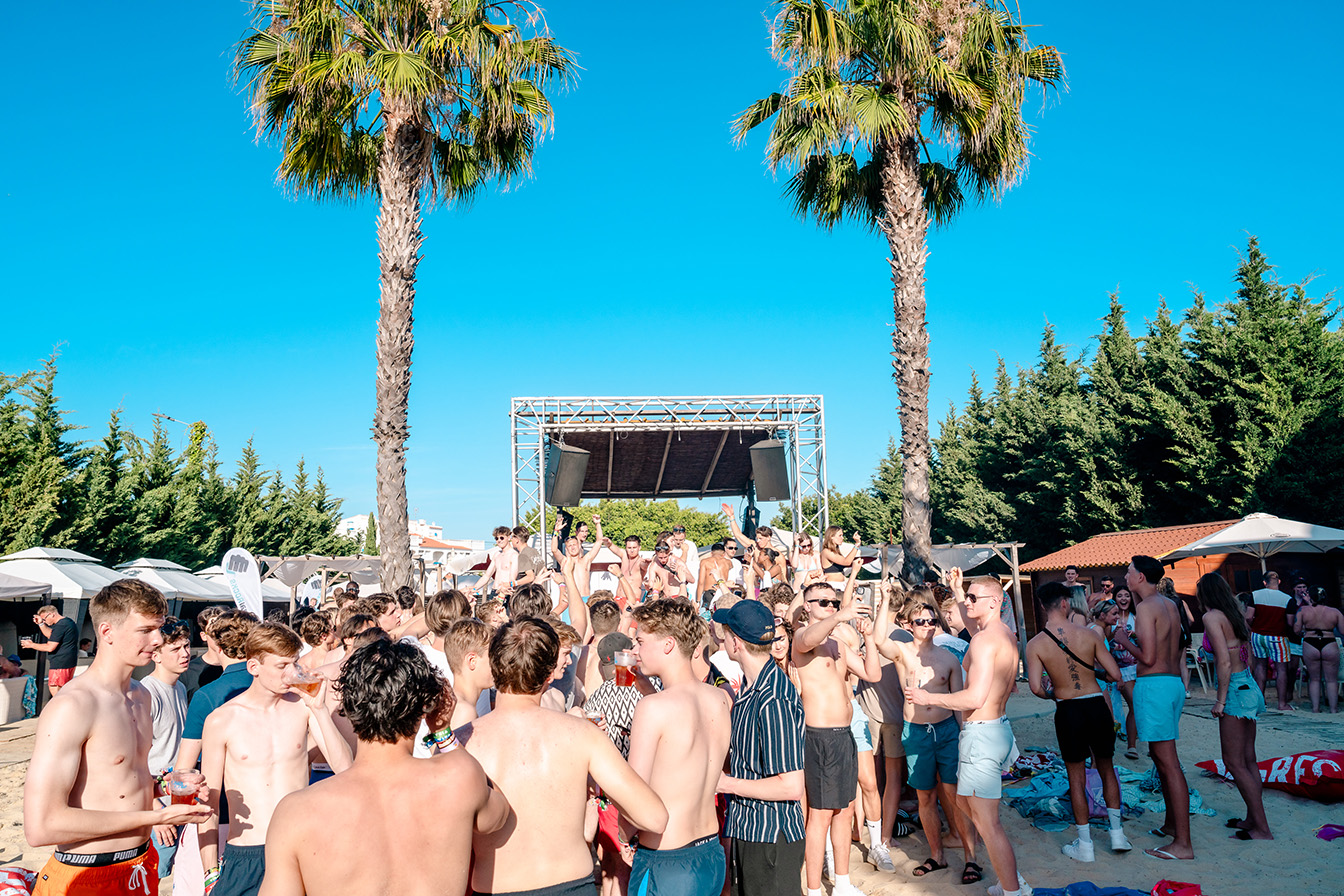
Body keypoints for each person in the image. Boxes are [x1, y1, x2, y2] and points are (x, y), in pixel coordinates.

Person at [258, 639, 508, 896]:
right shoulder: (458, 777)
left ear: (350, 708)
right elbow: (498, 817)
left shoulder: (296, 812)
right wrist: (443, 732)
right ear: (426, 708)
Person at [24, 579, 212, 896]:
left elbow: (116, 779)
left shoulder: (141, 696)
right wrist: (157, 816)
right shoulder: (73, 705)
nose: (157, 638)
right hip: (87, 873)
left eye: (160, 627)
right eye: (145, 630)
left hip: (140, 866)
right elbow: (41, 826)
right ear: (108, 632)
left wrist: (163, 785)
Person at [458, 617, 668, 895]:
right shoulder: (582, 735)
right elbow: (654, 817)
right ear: (549, 674)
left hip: (496, 886)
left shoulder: (461, 743)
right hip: (571, 885)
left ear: (495, 667)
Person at [198, 623, 353, 896]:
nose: (291, 673)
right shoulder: (222, 720)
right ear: (254, 667)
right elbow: (209, 801)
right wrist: (210, 870)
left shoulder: (303, 707)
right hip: (247, 850)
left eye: (293, 663)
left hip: (301, 845)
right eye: (281, 666)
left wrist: (319, 710)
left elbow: (345, 768)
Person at [909, 570, 1031, 896]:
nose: (967, 602)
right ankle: (1013, 884)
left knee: (989, 825)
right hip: (997, 730)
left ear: (995, 602)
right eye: (968, 596)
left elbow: (974, 697)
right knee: (964, 801)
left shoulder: (983, 641)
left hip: (983, 733)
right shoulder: (1003, 633)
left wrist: (929, 697)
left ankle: (1014, 890)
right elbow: (972, 626)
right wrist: (956, 589)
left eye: (974, 598)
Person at [626, 599, 733, 896]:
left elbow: (635, 795)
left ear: (668, 644)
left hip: (666, 860)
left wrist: (622, 836)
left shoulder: (653, 708)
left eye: (641, 641)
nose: (636, 650)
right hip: (711, 852)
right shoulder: (720, 699)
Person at [1025, 582, 1130, 863]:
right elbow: (1116, 674)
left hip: (1067, 708)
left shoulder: (1036, 644)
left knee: (1076, 776)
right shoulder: (1089, 634)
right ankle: (1117, 833)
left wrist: (1052, 693)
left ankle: (1085, 845)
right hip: (1095, 704)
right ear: (1064, 603)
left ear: (1043, 606)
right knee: (1106, 767)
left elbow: (1035, 687)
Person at [876, 596, 979, 882]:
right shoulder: (902, 652)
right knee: (925, 796)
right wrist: (884, 600)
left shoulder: (948, 658)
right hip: (916, 731)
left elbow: (958, 702)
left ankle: (971, 858)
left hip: (946, 730)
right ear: (908, 624)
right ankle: (937, 855)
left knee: (955, 795)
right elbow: (877, 640)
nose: (928, 626)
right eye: (921, 621)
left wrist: (964, 735)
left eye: (932, 621)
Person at [791, 581, 880, 896]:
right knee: (820, 816)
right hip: (819, 738)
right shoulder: (803, 638)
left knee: (844, 810)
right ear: (807, 606)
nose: (829, 606)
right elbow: (808, 638)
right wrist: (840, 615)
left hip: (844, 735)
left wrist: (868, 638)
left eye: (833, 602)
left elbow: (873, 674)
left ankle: (842, 882)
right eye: (823, 602)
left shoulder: (839, 645)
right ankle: (814, 889)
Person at [712, 600, 806, 896]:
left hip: (769, 837)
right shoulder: (754, 688)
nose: (722, 637)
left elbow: (791, 786)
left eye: (726, 633)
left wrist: (726, 783)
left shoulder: (773, 698)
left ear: (736, 642)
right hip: (751, 830)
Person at [1111, 555, 1193, 861]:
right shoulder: (1168, 604)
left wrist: (1122, 639)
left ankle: (1183, 843)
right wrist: (1133, 638)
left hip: (1155, 684)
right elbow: (1160, 646)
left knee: (1168, 761)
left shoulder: (1145, 607)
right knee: (1162, 759)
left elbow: (1145, 658)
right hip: (1172, 683)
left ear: (1141, 577)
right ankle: (1172, 825)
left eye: (1129, 572)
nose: (1126, 576)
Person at [1198, 573, 1271, 841]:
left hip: (1234, 691)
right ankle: (1253, 818)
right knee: (1248, 759)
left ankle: (1262, 828)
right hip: (1248, 685)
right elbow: (1246, 655)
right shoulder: (1236, 613)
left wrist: (1220, 700)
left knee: (1232, 761)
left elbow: (1224, 662)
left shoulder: (1212, 617)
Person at [144, 619, 194, 880]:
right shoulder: (147, 693)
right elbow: (134, 759)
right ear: (156, 655)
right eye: (175, 649)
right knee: (153, 876)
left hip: (177, 799)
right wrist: (153, 812)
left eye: (186, 646)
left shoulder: (180, 687)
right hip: (156, 804)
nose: (185, 654)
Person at [1248, 571, 1296, 711]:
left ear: (1264, 582)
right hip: (1278, 636)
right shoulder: (1287, 599)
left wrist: (1253, 627)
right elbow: (1290, 622)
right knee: (1281, 669)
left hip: (1258, 635)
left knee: (1260, 667)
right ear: (1279, 582)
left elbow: (1249, 617)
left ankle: (1261, 702)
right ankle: (1282, 703)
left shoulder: (1255, 595)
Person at [1294, 587, 1343, 713]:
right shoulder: (1335, 612)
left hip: (1310, 642)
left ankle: (1315, 708)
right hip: (1329, 642)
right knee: (1331, 680)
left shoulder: (1303, 610)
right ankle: (1333, 709)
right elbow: (1342, 631)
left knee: (1314, 679)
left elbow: (1296, 629)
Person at [20, 605, 81, 697]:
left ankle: (62, 711)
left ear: (52, 614)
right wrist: (41, 624)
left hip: (60, 663)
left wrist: (31, 645)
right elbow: (51, 635)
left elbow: (50, 647)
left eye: (44, 619)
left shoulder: (61, 625)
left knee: (57, 692)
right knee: (63, 691)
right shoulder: (67, 622)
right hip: (67, 662)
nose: (45, 621)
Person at [1109, 585, 1140, 759]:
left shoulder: (1137, 618)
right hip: (1120, 669)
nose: (1123, 599)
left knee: (1140, 706)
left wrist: (1135, 636)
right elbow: (1103, 642)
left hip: (1138, 667)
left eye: (1126, 595)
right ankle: (1132, 746)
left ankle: (1136, 739)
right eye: (1120, 595)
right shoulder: (1111, 619)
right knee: (1134, 705)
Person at [470, 526, 518, 597]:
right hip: (494, 591)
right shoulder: (497, 555)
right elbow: (486, 576)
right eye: (496, 538)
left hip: (505, 592)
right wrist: (473, 589)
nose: (499, 540)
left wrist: (504, 590)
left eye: (502, 538)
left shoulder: (514, 555)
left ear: (509, 537)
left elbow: (512, 579)